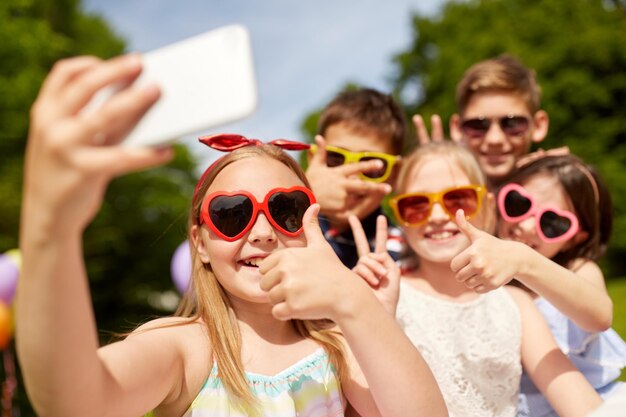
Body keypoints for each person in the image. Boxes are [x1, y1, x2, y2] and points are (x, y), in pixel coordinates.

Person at [16, 55, 447, 417]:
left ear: (312, 222)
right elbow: (74, 402)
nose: (262, 232)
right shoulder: (187, 348)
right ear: (199, 242)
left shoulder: (338, 344)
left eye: (286, 209)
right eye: (232, 213)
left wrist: (358, 305)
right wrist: (50, 227)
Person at [349, 141, 603, 417]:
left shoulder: (516, 304)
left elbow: (577, 399)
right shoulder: (379, 297)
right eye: (416, 204)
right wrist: (372, 321)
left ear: (488, 206)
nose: (436, 216)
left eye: (458, 199)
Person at [449, 148, 626, 416]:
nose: (528, 226)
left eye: (553, 223)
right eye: (518, 203)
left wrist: (524, 261)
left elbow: (600, 315)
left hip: (591, 403)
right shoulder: (485, 272)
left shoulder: (579, 269)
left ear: (576, 237)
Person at [413, 54, 549, 189]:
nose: (494, 139)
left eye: (511, 123)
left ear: (538, 125)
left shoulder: (561, 199)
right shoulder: (439, 200)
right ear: (457, 129)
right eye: (478, 125)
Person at [305, 87, 407, 268]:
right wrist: (304, 198)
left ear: (395, 174)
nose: (351, 177)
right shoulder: (281, 232)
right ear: (313, 159)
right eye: (336, 158)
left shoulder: (404, 253)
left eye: (372, 165)